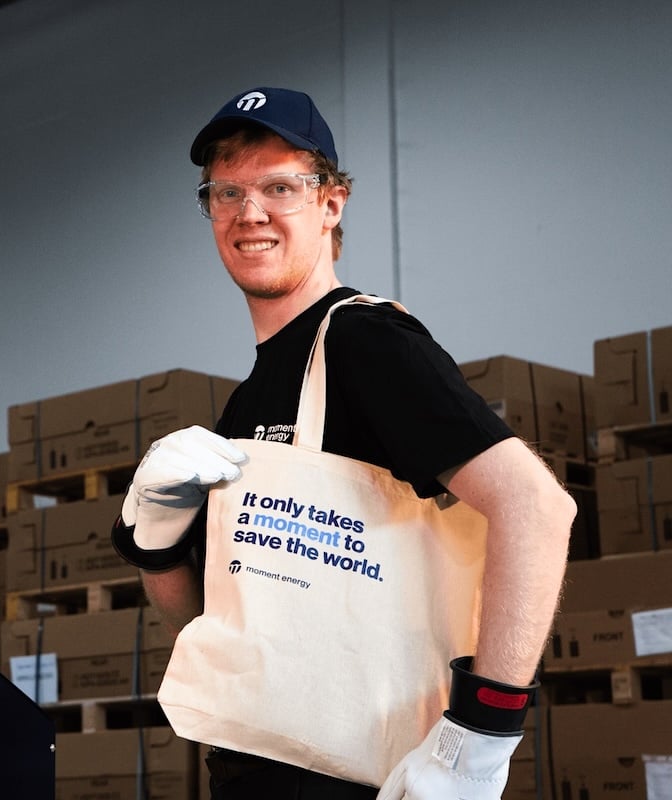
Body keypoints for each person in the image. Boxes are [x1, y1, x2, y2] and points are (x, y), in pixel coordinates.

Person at [112, 87, 575, 799]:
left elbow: (537, 508)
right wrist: (155, 539)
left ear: (332, 203)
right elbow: (210, 625)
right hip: (252, 766)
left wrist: (478, 741)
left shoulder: (364, 340)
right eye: (226, 192)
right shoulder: (251, 398)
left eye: (280, 187)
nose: (250, 212)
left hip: (363, 777)